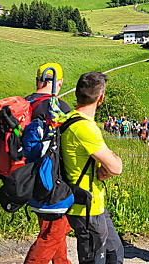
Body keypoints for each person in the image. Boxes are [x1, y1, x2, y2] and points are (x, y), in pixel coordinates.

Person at [62, 72, 124, 264]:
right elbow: (116, 167)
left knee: (115, 252)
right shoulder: (84, 128)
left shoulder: (70, 119)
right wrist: (111, 162)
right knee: (95, 259)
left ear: (77, 94)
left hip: (94, 203)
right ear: (101, 98)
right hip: (86, 207)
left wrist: (106, 165)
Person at [24, 63, 72, 264]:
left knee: (55, 229)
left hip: (27, 181)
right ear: (59, 83)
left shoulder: (24, 104)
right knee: (51, 235)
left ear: (37, 80)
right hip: (53, 184)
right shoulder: (59, 108)